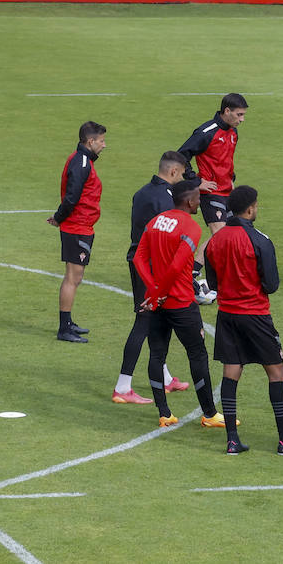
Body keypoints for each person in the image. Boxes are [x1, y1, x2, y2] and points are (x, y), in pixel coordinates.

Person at [203, 186, 283, 456]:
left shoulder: (215, 241)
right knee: (277, 372)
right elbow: (272, 284)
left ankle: (232, 439)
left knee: (232, 371)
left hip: (227, 315)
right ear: (250, 209)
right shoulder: (260, 240)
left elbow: (213, 282)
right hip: (255, 314)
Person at [131, 177, 223, 430]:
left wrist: (152, 291)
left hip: (157, 303)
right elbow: (176, 266)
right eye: (198, 198)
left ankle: (164, 414)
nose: (200, 201)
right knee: (197, 354)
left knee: (157, 354)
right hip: (180, 303)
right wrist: (160, 291)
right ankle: (210, 414)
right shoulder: (191, 228)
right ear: (189, 200)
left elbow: (139, 258)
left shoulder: (155, 222)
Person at [113, 151, 189, 403]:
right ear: (173, 172)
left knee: (158, 320)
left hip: (138, 260)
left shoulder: (142, 192)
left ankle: (165, 377)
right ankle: (123, 387)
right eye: (183, 174)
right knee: (144, 322)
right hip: (151, 266)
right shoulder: (166, 200)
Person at [179, 93, 249, 304]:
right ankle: (192, 274)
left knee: (229, 233)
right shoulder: (206, 131)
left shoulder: (233, 132)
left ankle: (200, 274)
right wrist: (196, 181)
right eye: (239, 114)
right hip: (211, 193)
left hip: (228, 190)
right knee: (220, 235)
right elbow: (181, 155)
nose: (242, 119)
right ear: (226, 111)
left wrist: (232, 181)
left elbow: (226, 160)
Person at [49, 121, 107, 343]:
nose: (104, 145)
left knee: (75, 277)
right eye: (101, 141)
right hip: (77, 227)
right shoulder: (81, 163)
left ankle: (68, 322)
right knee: (73, 278)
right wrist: (59, 218)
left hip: (81, 226)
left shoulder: (81, 160)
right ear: (90, 141)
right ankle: (64, 329)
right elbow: (71, 197)